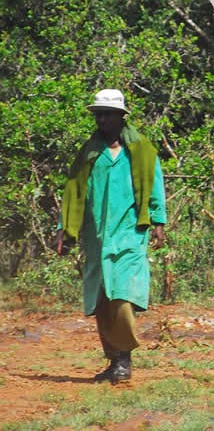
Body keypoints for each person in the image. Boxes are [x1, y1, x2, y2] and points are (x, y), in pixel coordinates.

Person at [56, 88, 167, 384]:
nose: (102, 119)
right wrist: (65, 230)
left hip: (131, 232)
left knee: (123, 297)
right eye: (98, 114)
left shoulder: (141, 150)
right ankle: (115, 361)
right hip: (96, 237)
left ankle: (125, 358)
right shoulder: (90, 153)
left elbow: (155, 188)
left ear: (121, 117)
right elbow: (73, 192)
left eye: (107, 114)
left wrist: (158, 222)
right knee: (102, 300)